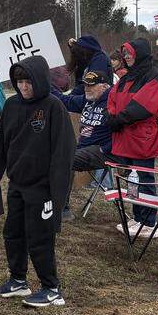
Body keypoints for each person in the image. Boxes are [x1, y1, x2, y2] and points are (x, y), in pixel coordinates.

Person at [0, 56, 75, 307]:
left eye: (29, 81)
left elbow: (63, 154)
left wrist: (58, 198)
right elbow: (1, 147)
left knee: (39, 236)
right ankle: (18, 281)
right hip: (17, 184)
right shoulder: (12, 106)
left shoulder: (53, 107)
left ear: (40, 80)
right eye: (20, 81)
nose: (24, 87)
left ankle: (51, 287)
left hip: (42, 188)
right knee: (13, 233)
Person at [105, 39, 158, 239]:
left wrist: (119, 119)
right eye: (124, 54)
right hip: (126, 136)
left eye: (130, 53)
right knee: (131, 178)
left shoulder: (155, 77)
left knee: (144, 178)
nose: (126, 57)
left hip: (143, 138)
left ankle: (149, 222)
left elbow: (144, 106)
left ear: (139, 53)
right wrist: (112, 116)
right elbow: (113, 98)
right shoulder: (127, 77)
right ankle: (138, 217)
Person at [52, 70, 114, 220]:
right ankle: (49, 202)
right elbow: (64, 101)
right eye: (85, 85)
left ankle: (62, 209)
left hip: (103, 151)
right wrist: (46, 83)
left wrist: (105, 148)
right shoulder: (87, 100)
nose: (87, 88)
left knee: (64, 159)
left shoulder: (114, 102)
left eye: (91, 85)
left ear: (105, 86)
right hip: (84, 149)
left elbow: (126, 130)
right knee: (53, 153)